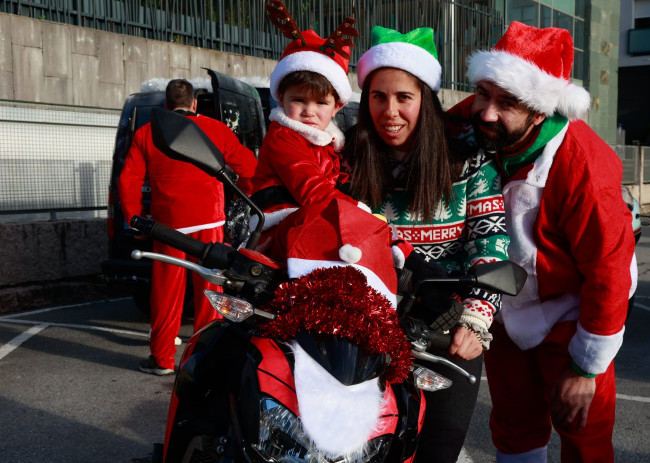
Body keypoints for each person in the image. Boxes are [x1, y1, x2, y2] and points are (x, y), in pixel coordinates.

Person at [452, 21, 636, 461]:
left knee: (583, 431)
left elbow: (609, 270)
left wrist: (586, 368)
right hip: (501, 300)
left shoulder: (586, 166)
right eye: (483, 94)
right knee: (514, 427)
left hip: (572, 309)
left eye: (508, 102)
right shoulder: (472, 122)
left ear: (540, 110)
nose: (488, 112)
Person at [343, 26, 510, 463]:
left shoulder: (469, 158)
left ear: (426, 99)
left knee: (438, 450)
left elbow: (490, 241)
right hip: (365, 326)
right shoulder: (350, 156)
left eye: (404, 97)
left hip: (446, 328)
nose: (390, 111)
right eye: (378, 97)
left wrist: (476, 320)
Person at [118, 78, 257, 375]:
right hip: (210, 222)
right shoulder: (218, 130)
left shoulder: (147, 132)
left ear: (166, 106)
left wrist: (135, 219)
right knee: (209, 290)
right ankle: (204, 359)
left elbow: (128, 179)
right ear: (195, 103)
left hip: (168, 226)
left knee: (166, 294)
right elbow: (249, 168)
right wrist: (242, 196)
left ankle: (162, 359)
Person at [250, 2, 368, 241]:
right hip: (281, 227)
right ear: (281, 99)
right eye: (299, 100)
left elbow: (334, 182)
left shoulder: (326, 144)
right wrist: (360, 211)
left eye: (320, 103)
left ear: (337, 107)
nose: (309, 111)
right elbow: (312, 189)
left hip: (306, 221)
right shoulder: (283, 138)